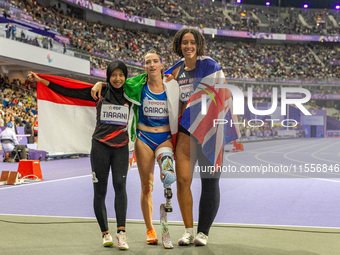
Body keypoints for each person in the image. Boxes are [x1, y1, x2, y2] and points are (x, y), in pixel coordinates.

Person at [28, 60, 131, 250]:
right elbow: (69, 91)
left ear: (126, 77)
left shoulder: (130, 93)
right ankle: (105, 233)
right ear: (108, 75)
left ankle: (121, 233)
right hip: (100, 147)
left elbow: (148, 80)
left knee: (120, 186)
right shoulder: (98, 93)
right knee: (100, 191)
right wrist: (42, 80)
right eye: (113, 75)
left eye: (121, 75)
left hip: (121, 147)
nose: (118, 79)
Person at [91, 49, 179, 245]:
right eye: (148, 62)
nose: (152, 65)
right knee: (146, 187)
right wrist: (101, 83)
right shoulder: (137, 85)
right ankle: (150, 230)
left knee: (169, 177)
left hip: (164, 139)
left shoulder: (171, 85)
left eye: (155, 61)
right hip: (144, 138)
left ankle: (167, 216)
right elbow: (117, 84)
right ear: (144, 66)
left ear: (162, 65)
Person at [165, 28, 239, 246]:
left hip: (209, 129)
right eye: (185, 42)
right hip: (186, 130)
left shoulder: (211, 67)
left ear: (198, 45)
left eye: (192, 42)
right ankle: (188, 230)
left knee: (209, 181)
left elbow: (220, 95)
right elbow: (152, 82)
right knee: (183, 180)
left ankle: (203, 232)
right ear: (179, 45)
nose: (188, 46)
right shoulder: (175, 72)